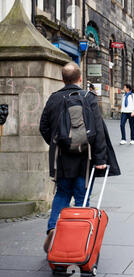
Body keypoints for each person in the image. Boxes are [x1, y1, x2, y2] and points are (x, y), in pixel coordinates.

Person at [39, 62, 113, 253]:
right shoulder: (88, 98)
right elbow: (98, 130)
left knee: (62, 194)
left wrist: (57, 143)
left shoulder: (54, 99)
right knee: (82, 197)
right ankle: (77, 240)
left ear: (63, 79)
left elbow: (44, 127)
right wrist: (101, 159)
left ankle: (53, 228)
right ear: (80, 79)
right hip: (85, 159)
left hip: (62, 159)